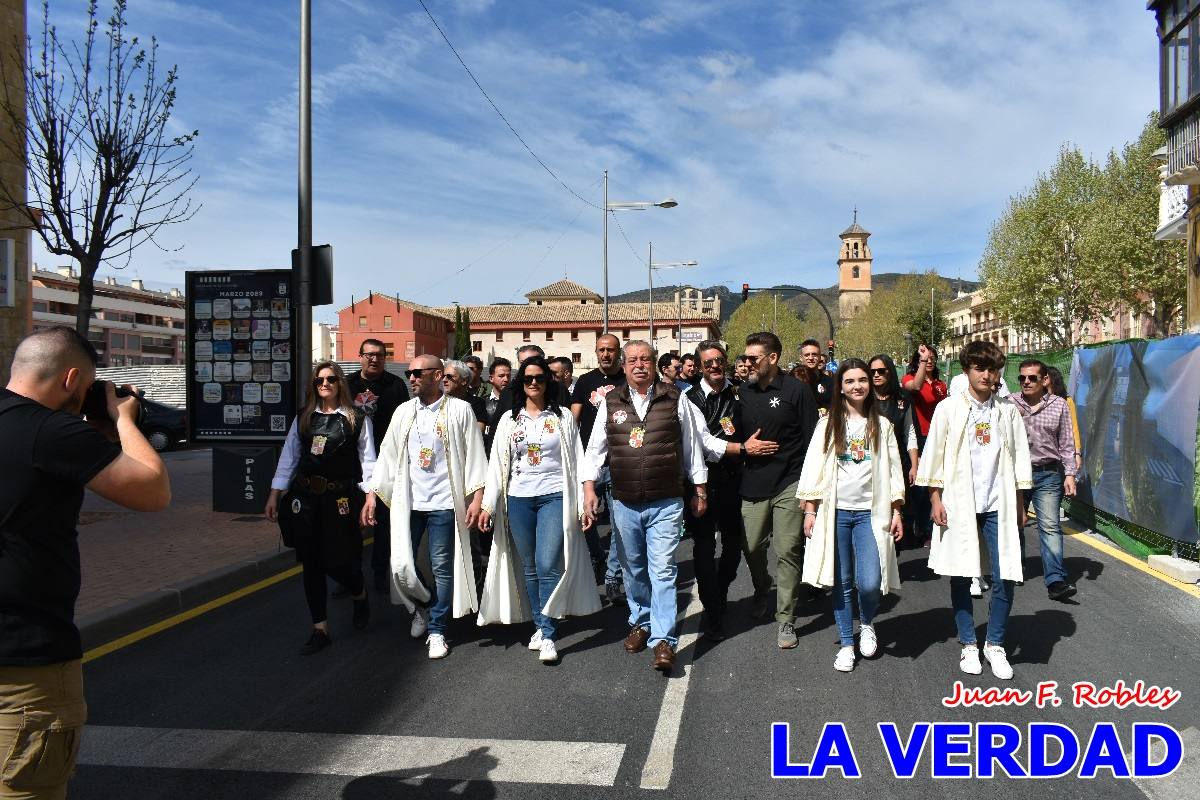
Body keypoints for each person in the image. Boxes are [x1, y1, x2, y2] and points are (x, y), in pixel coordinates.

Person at [1, 327, 170, 800]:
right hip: (26, 665)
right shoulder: (52, 433)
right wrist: (122, 419)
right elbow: (153, 490)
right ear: (73, 377)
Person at [581, 341, 710, 673]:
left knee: (664, 570)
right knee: (634, 569)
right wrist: (589, 489)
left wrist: (699, 488)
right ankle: (641, 621)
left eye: (646, 359)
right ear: (624, 367)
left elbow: (692, 447)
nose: (639, 365)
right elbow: (596, 450)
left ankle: (664, 639)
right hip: (624, 502)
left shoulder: (674, 398)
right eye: (633, 360)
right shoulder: (611, 402)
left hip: (666, 500)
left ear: (655, 364)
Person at [915, 340, 1032, 681]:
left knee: (1006, 572)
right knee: (961, 573)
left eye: (992, 368)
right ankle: (969, 642)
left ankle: (995, 644)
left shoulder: (1007, 411)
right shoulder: (949, 409)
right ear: (966, 371)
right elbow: (933, 454)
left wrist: (1021, 505)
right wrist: (936, 499)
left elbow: (1020, 457)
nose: (986, 374)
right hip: (959, 502)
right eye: (979, 368)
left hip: (999, 503)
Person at [363, 355, 488, 660]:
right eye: (409, 373)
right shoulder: (404, 412)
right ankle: (425, 605)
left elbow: (474, 454)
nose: (411, 378)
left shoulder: (460, 410)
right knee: (401, 565)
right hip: (409, 503)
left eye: (417, 373)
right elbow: (387, 455)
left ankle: (437, 629)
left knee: (442, 567)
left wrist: (478, 498)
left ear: (437, 376)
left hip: (445, 503)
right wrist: (371, 495)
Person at [477, 357, 601, 663]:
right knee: (530, 568)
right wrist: (488, 505)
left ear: (549, 383)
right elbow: (496, 465)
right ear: (521, 383)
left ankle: (547, 633)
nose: (534, 383)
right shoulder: (508, 419)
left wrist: (586, 496)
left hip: (554, 496)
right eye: (528, 378)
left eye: (540, 379)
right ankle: (541, 623)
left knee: (547, 565)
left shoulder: (562, 418)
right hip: (517, 499)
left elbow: (579, 457)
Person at [797, 359, 904, 672]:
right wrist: (810, 510)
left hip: (870, 515)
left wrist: (896, 510)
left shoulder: (882, 426)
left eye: (862, 380)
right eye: (849, 381)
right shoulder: (828, 424)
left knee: (870, 582)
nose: (857, 385)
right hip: (837, 513)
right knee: (841, 581)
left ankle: (867, 623)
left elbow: (895, 469)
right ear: (840, 387)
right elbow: (814, 468)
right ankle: (846, 643)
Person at [267, 361, 377, 654]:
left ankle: (359, 591)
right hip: (305, 499)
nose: (325, 384)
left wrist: (370, 497)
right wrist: (275, 492)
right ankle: (320, 628)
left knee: (339, 561)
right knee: (311, 563)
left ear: (340, 383)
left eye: (330, 379)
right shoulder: (303, 418)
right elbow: (289, 457)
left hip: (339, 499)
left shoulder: (356, 419)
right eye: (319, 380)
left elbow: (369, 462)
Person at [684, 341, 771, 640]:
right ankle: (713, 612)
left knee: (735, 547)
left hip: (736, 479)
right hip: (703, 481)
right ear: (699, 367)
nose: (715, 367)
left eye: (719, 361)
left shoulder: (738, 393)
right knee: (705, 548)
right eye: (708, 363)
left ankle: (719, 591)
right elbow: (703, 441)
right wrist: (742, 447)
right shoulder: (689, 399)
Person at [738, 332, 819, 649]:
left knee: (788, 550)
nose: (747, 363)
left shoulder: (796, 390)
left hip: (791, 480)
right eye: (745, 358)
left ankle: (786, 619)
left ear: (772, 358)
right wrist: (744, 449)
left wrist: (811, 491)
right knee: (752, 546)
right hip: (753, 483)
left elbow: (813, 441)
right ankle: (762, 587)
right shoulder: (742, 393)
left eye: (752, 358)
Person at [1011, 360, 1078, 602]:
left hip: (1048, 474)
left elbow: (1067, 442)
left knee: (1050, 525)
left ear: (1044, 380)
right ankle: (1014, 568)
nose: (1026, 382)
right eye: (1022, 378)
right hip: (1016, 475)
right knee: (1014, 523)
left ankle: (1056, 581)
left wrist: (1070, 474)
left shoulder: (1059, 405)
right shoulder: (1009, 403)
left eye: (1032, 378)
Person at [346, 338, 410, 592]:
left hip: (386, 463)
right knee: (350, 522)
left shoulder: (395, 385)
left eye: (380, 355)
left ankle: (379, 572)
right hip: (352, 462)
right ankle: (350, 574)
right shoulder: (347, 385)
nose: (374, 359)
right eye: (369, 355)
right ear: (360, 356)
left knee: (382, 522)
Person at [570, 334, 627, 596]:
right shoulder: (585, 381)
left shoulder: (628, 380)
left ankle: (613, 576)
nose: (606, 354)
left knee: (618, 524)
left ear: (619, 352)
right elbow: (573, 421)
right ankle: (597, 557)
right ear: (596, 352)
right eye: (601, 350)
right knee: (586, 519)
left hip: (619, 461)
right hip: (590, 463)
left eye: (611, 350)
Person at [868, 354, 920, 545]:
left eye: (881, 371)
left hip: (897, 464)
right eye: (872, 371)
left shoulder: (903, 397)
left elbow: (910, 432)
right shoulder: (864, 397)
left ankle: (893, 561)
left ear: (889, 371)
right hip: (870, 464)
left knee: (895, 510)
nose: (876, 375)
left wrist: (914, 464)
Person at [901, 344, 948, 548]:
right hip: (917, 437)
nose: (929, 360)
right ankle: (914, 526)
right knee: (918, 487)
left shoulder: (941, 385)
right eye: (925, 357)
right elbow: (917, 387)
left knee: (935, 483)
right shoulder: (909, 379)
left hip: (937, 437)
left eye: (932, 357)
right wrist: (921, 362)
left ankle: (928, 528)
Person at [1045, 366, 1083, 476]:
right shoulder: (1037, 401)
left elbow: (1074, 428)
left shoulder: (1066, 400)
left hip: (1064, 452)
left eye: (1045, 377)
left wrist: (1077, 453)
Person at [442, 359, 488, 431]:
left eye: (449, 376)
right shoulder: (438, 402)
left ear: (464, 381)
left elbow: (477, 434)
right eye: (443, 376)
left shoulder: (477, 404)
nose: (444, 380)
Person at [483, 357, 512, 453]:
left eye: (508, 376)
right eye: (501, 376)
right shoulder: (482, 403)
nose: (506, 379)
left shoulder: (517, 403)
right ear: (491, 378)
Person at [799, 340, 834, 410]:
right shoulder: (792, 381)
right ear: (801, 358)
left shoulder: (830, 382)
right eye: (807, 355)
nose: (811, 358)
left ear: (820, 356)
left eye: (814, 354)